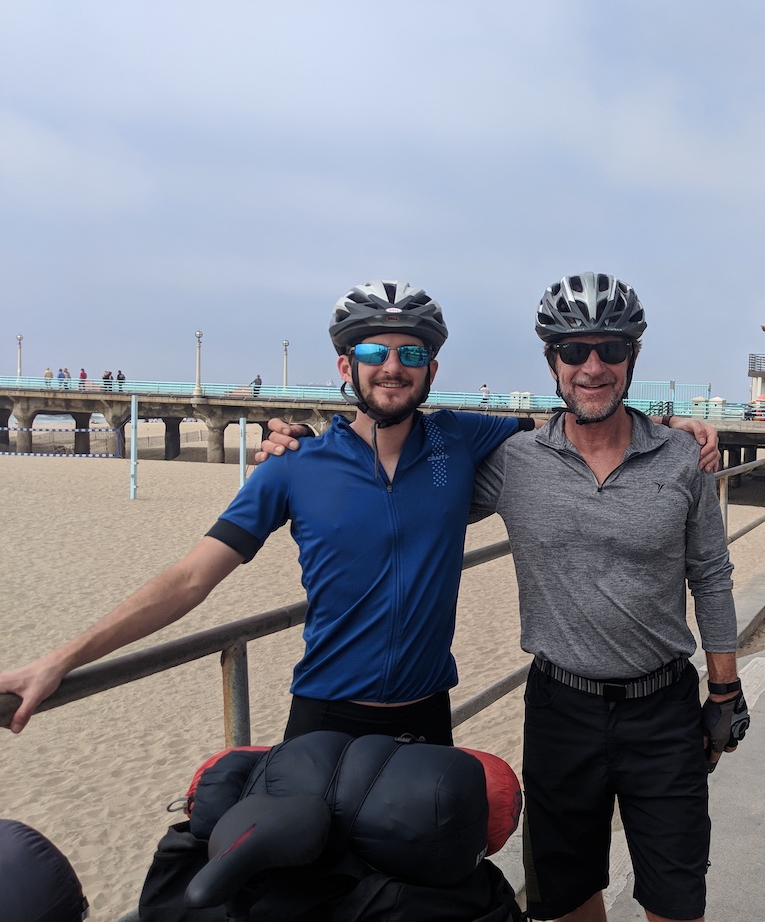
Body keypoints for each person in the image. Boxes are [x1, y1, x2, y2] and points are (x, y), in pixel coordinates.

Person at [2, 281, 717, 747]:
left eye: (412, 352)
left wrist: (674, 426)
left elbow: (584, 417)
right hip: (323, 718)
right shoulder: (294, 466)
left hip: (427, 717)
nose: (393, 364)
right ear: (345, 367)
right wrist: (62, 659)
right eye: (373, 350)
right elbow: (191, 579)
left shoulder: (462, 440)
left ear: (432, 371)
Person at [470, 273, 747, 922]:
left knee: (676, 901)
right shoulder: (515, 463)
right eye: (574, 351)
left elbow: (710, 575)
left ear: (633, 357)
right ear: (551, 363)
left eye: (611, 349)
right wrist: (304, 443)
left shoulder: (681, 458)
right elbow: (417, 481)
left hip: (665, 712)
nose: (593, 366)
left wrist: (725, 694)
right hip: (560, 708)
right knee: (565, 900)